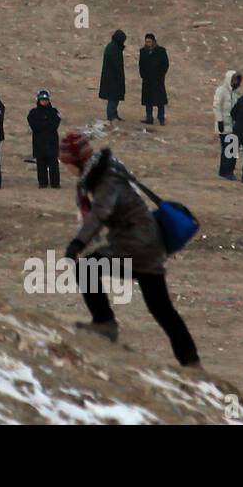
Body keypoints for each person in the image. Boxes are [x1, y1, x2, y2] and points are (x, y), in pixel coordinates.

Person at [59, 131, 201, 368]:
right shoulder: (106, 171)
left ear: (76, 161)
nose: (66, 169)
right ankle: (191, 362)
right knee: (161, 308)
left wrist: (77, 244)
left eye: (66, 163)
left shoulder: (105, 179)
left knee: (86, 266)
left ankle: (105, 324)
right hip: (145, 242)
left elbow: (99, 214)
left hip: (136, 245)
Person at [27, 89, 61, 189]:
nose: (44, 102)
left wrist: (43, 124)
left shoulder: (54, 112)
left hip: (52, 141)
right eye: (42, 100)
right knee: (41, 163)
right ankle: (42, 183)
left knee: (53, 164)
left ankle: (55, 183)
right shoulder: (33, 112)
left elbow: (55, 124)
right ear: (38, 100)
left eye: (46, 100)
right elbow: (34, 125)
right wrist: (45, 124)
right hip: (39, 141)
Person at [213, 69, 242, 180]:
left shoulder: (235, 93)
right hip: (224, 124)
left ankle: (228, 170)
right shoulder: (221, 91)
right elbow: (217, 106)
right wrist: (219, 120)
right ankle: (226, 171)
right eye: (234, 79)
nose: (235, 82)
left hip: (234, 124)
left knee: (233, 148)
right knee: (227, 148)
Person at [138, 33, 169, 125]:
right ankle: (149, 117)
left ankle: (161, 118)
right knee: (148, 101)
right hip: (147, 80)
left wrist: (160, 75)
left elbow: (165, 64)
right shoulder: (143, 51)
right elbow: (141, 65)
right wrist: (143, 75)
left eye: (149, 42)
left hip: (157, 80)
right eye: (146, 42)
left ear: (153, 42)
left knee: (160, 101)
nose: (147, 44)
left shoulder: (161, 51)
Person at [98, 29, 127, 122]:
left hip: (112, 78)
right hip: (112, 78)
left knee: (114, 97)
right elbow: (116, 64)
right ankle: (111, 115)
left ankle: (114, 114)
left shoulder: (113, 47)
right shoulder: (113, 49)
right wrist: (119, 76)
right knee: (113, 98)